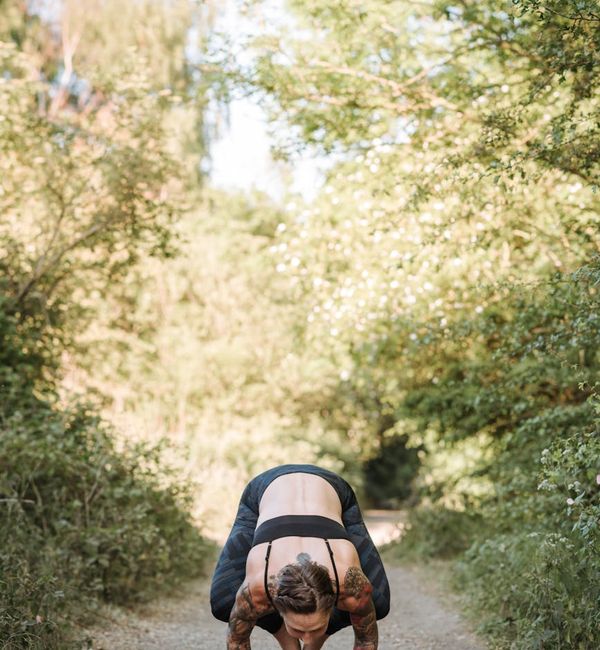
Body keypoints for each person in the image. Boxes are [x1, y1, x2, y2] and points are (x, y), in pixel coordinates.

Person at [210, 464, 390, 649]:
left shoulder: (350, 584)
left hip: (332, 488)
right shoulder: (259, 587)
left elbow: (366, 640)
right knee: (223, 603)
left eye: (316, 628)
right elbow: (237, 640)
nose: (307, 637)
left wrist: (313, 644)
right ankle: (287, 640)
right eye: (298, 629)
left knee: (377, 602)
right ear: (276, 606)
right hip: (264, 489)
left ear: (333, 604)